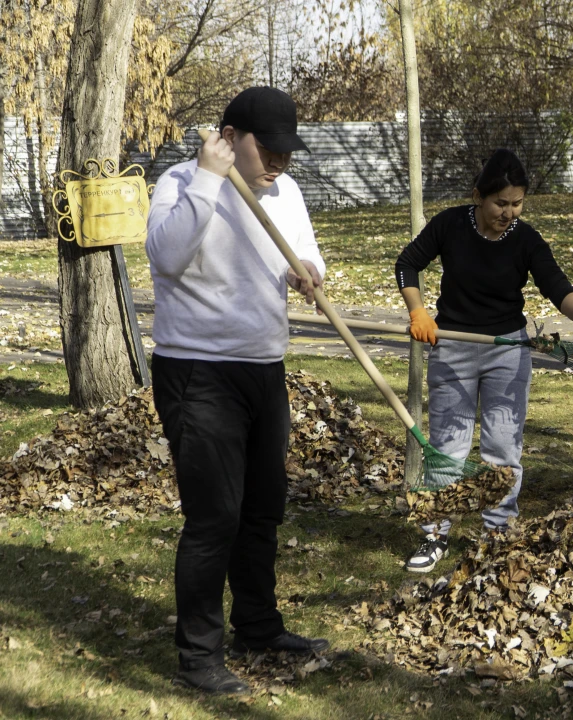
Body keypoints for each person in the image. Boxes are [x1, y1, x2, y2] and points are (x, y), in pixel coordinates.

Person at [146, 87, 331, 694]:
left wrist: (310, 272)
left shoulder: (287, 192)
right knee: (213, 518)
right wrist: (208, 178)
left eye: (287, 151)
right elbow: (167, 258)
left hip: (263, 366)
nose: (279, 162)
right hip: (197, 371)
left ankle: (258, 625)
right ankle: (198, 659)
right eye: (268, 149)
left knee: (260, 510)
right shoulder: (179, 182)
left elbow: (304, 252)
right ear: (229, 137)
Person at [394, 149, 573, 573]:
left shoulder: (525, 239)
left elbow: (554, 282)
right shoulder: (450, 225)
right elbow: (407, 264)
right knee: (448, 449)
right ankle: (436, 534)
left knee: (502, 445)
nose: (508, 213)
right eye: (500, 203)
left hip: (507, 350)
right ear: (479, 195)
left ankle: (498, 533)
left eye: (517, 204)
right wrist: (418, 312)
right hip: (454, 346)